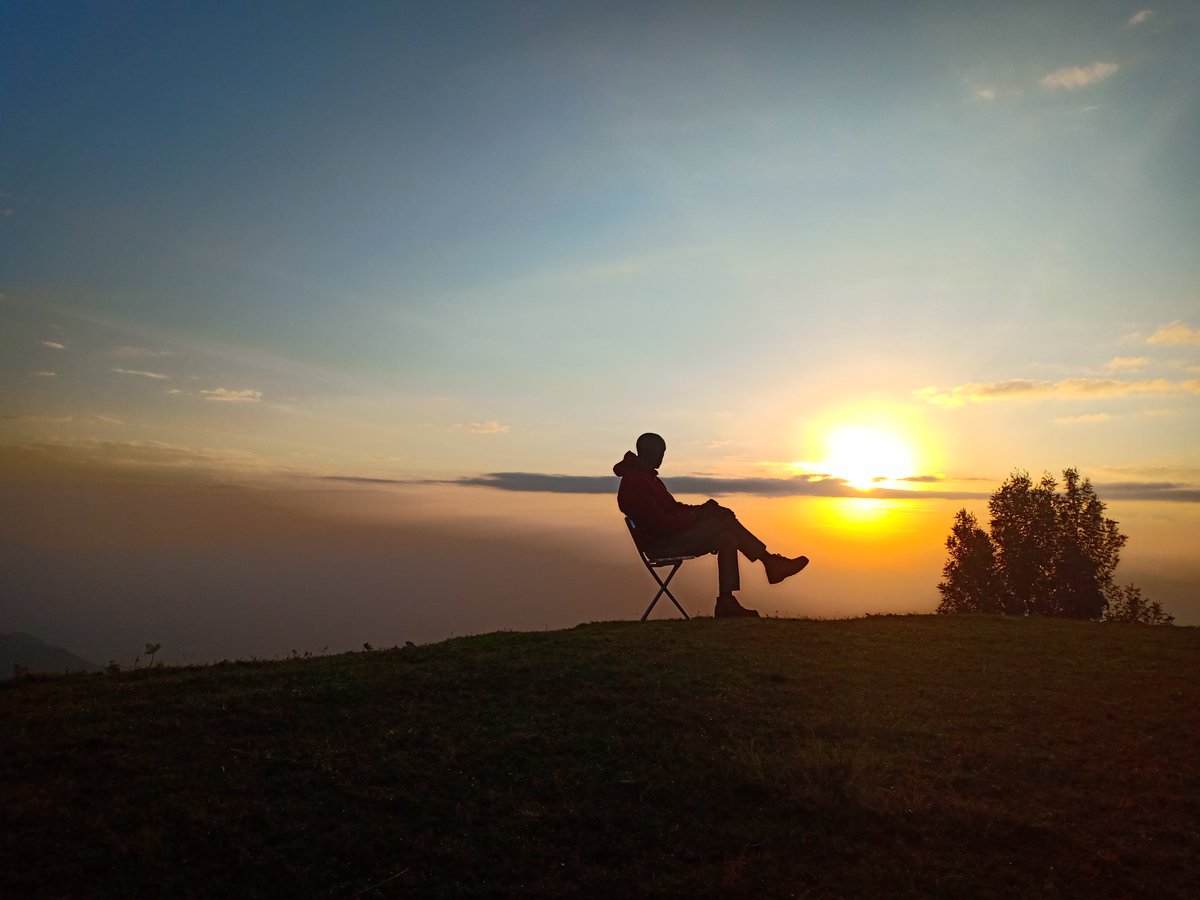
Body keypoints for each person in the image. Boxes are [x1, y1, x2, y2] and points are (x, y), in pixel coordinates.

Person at [614, 432, 809, 618]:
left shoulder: (648, 478)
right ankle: (770, 563)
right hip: (661, 544)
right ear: (649, 451)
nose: (663, 457)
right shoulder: (636, 481)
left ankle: (727, 602)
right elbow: (661, 523)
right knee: (723, 522)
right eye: (661, 452)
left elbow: (672, 509)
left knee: (726, 537)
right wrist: (695, 517)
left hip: (668, 537)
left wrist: (701, 511)